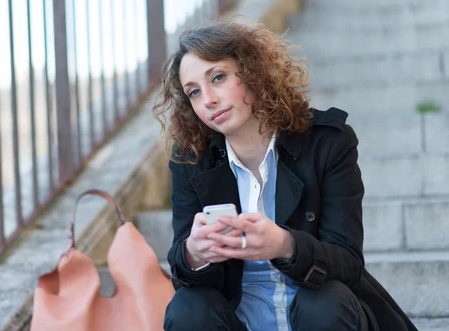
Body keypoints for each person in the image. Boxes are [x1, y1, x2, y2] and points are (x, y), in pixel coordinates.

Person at [153, 21, 416, 331]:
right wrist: (194, 252)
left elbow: (347, 262)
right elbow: (182, 269)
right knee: (187, 307)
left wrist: (284, 245)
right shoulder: (191, 160)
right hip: (241, 318)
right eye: (194, 92)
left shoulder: (328, 143)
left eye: (219, 77)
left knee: (323, 301)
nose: (208, 99)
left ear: (252, 71)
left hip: (319, 315)